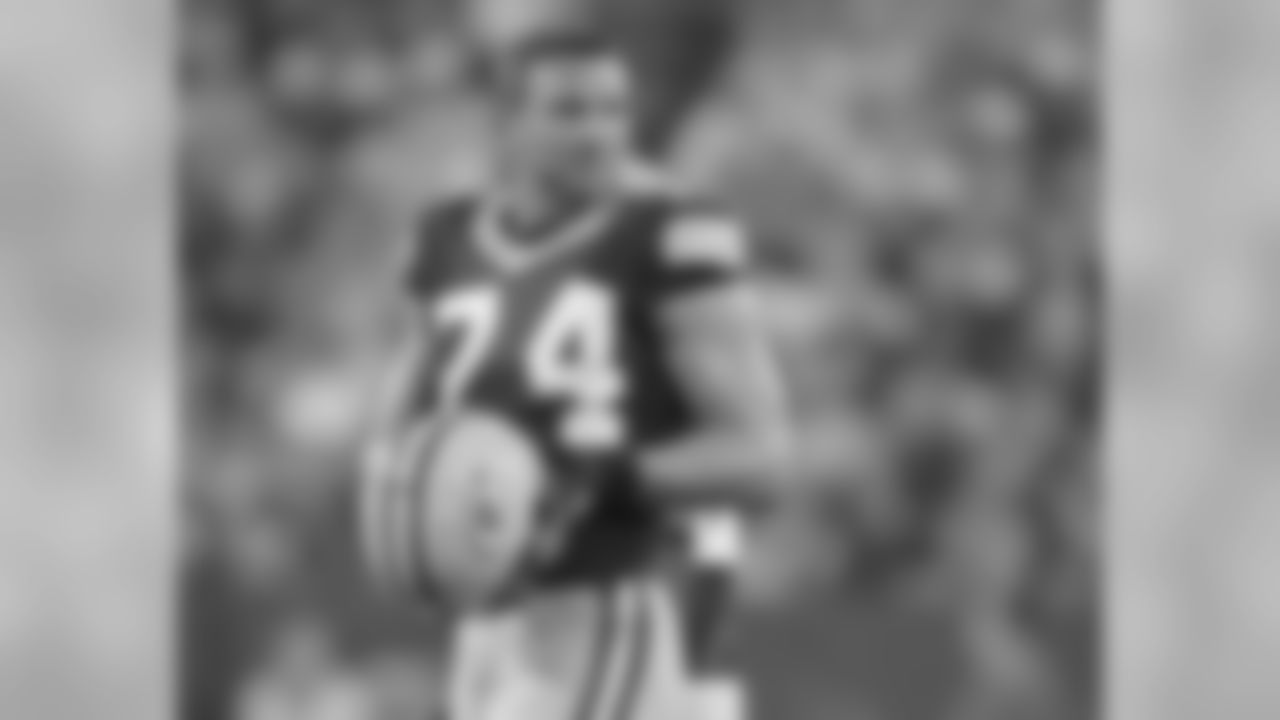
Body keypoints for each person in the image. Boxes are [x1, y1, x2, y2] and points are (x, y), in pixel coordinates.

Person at [360, 31, 790, 720]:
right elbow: (397, 436)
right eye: (569, 110)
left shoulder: (668, 237)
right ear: (509, 120)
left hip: (605, 599)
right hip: (486, 624)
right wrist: (417, 516)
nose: (598, 132)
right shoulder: (444, 239)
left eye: (612, 109)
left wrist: (598, 478)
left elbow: (762, 459)